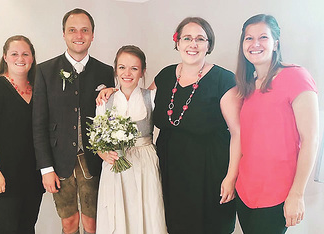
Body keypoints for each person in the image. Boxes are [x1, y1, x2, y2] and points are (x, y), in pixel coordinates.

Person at [153, 17, 241, 233]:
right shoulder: (165, 76)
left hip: (209, 174)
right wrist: (113, 93)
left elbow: (238, 133)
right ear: (177, 42)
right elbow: (137, 101)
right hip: (171, 173)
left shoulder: (224, 79)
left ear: (208, 45)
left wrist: (231, 178)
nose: (193, 44)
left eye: (200, 39)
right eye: (187, 38)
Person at [32, 8, 115, 234]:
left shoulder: (106, 71)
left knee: (93, 223)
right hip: (59, 162)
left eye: (84, 30)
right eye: (72, 30)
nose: (79, 35)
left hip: (95, 161)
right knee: (69, 223)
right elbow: (38, 124)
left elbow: (111, 117)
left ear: (92, 35)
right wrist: (45, 169)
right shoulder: (45, 71)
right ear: (64, 34)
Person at [235, 14, 319, 233]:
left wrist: (297, 194)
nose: (255, 44)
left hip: (277, 195)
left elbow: (311, 140)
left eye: (263, 37)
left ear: (276, 43)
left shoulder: (296, 76)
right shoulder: (248, 85)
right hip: (245, 192)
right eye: (248, 38)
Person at [95, 45, 167, 234]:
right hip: (115, 163)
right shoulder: (105, 100)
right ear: (115, 70)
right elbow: (97, 136)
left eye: (134, 68)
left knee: (147, 210)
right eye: (122, 67)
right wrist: (103, 153)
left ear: (143, 71)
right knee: (118, 214)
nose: (127, 73)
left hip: (145, 161)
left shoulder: (151, 97)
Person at [0, 35, 44, 234]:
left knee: (27, 228)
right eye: (14, 54)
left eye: (25, 53)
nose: (20, 58)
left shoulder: (38, 89)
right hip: (2, 177)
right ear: (5, 57)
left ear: (32, 58)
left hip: (32, 177)